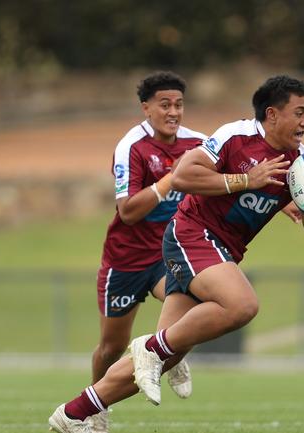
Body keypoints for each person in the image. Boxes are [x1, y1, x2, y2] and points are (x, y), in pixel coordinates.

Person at [47, 74, 304, 433]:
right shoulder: (236, 136)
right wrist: (245, 180)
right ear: (272, 114)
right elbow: (183, 175)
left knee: (164, 357)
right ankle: (152, 347)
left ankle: (76, 412)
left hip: (222, 251)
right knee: (241, 305)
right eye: (299, 112)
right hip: (191, 234)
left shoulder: (300, 165)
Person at [89, 72, 207, 431]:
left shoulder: (198, 142)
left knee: (201, 303)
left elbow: (235, 170)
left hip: (167, 252)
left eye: (179, 104)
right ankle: (95, 407)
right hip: (125, 260)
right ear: (146, 108)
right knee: (112, 348)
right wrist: (173, 177)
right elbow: (127, 211)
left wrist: (283, 205)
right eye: (165, 104)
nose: (174, 112)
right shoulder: (131, 147)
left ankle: (169, 349)